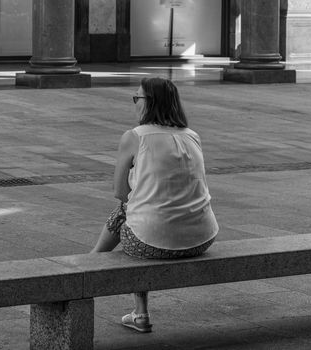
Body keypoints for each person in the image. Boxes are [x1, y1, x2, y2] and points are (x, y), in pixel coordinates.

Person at [90, 77, 218, 333]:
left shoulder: (134, 137)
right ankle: (97, 267)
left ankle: (92, 266)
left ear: (151, 103)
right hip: (203, 237)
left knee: (130, 214)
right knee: (141, 214)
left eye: (138, 98)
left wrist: (138, 198)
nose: (135, 103)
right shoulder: (193, 136)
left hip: (152, 243)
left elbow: (119, 192)